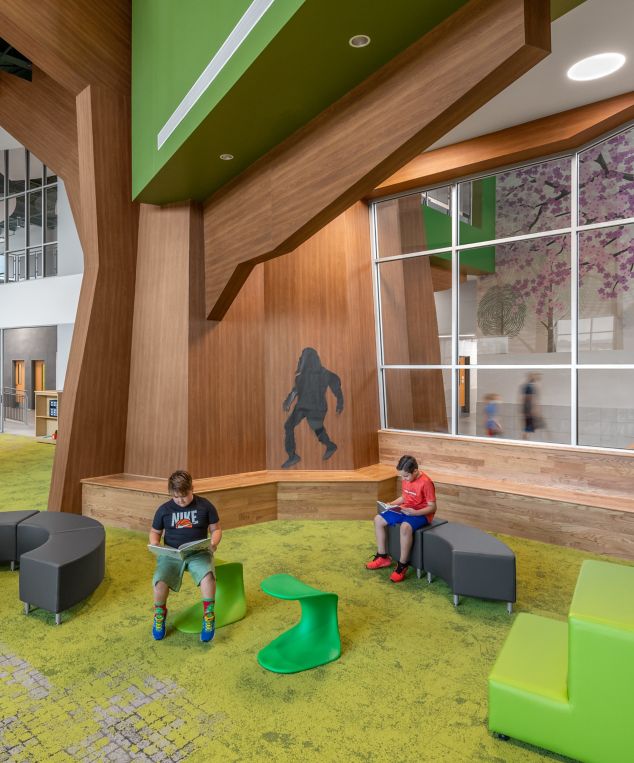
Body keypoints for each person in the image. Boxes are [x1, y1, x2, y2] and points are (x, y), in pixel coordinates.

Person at [149, 470, 222, 643]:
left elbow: (216, 529)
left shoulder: (205, 505)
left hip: (199, 552)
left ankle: (209, 614)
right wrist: (155, 544)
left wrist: (213, 543)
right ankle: (160, 614)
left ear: (192, 489)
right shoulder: (164, 510)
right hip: (172, 553)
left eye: (184, 496)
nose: (180, 500)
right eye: (176, 497)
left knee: (208, 577)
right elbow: (155, 532)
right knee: (159, 582)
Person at [365, 455, 437, 583]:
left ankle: (402, 565)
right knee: (378, 519)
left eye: (406, 476)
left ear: (415, 471)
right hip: (406, 509)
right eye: (402, 476)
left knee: (405, 527)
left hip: (421, 514)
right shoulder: (406, 477)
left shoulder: (426, 482)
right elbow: (404, 497)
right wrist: (391, 504)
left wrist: (415, 513)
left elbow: (432, 507)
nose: (404, 479)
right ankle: (383, 557)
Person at [281, 347, 344, 468]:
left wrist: (340, 403)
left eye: (302, 357)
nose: (300, 359)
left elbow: (336, 386)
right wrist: (288, 401)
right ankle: (292, 456)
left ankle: (330, 446)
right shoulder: (302, 376)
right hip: (305, 406)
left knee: (317, 430)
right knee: (289, 426)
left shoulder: (324, 374)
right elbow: (295, 391)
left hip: (315, 407)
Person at [520, 373, 541, 440]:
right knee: (528, 426)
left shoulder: (529, 386)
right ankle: (525, 440)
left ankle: (526, 439)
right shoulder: (529, 386)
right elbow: (528, 398)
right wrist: (532, 409)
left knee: (529, 426)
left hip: (527, 408)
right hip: (528, 408)